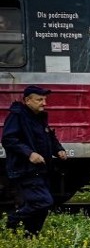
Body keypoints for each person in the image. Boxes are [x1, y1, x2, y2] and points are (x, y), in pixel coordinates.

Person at [2, 85, 67, 235]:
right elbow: (9, 139)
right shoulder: (17, 116)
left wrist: (58, 149)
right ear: (27, 100)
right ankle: (13, 219)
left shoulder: (39, 117)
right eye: (39, 100)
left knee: (41, 207)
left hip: (42, 169)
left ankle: (31, 235)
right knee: (43, 201)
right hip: (25, 168)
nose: (44, 103)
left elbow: (49, 136)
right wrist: (29, 153)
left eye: (44, 99)